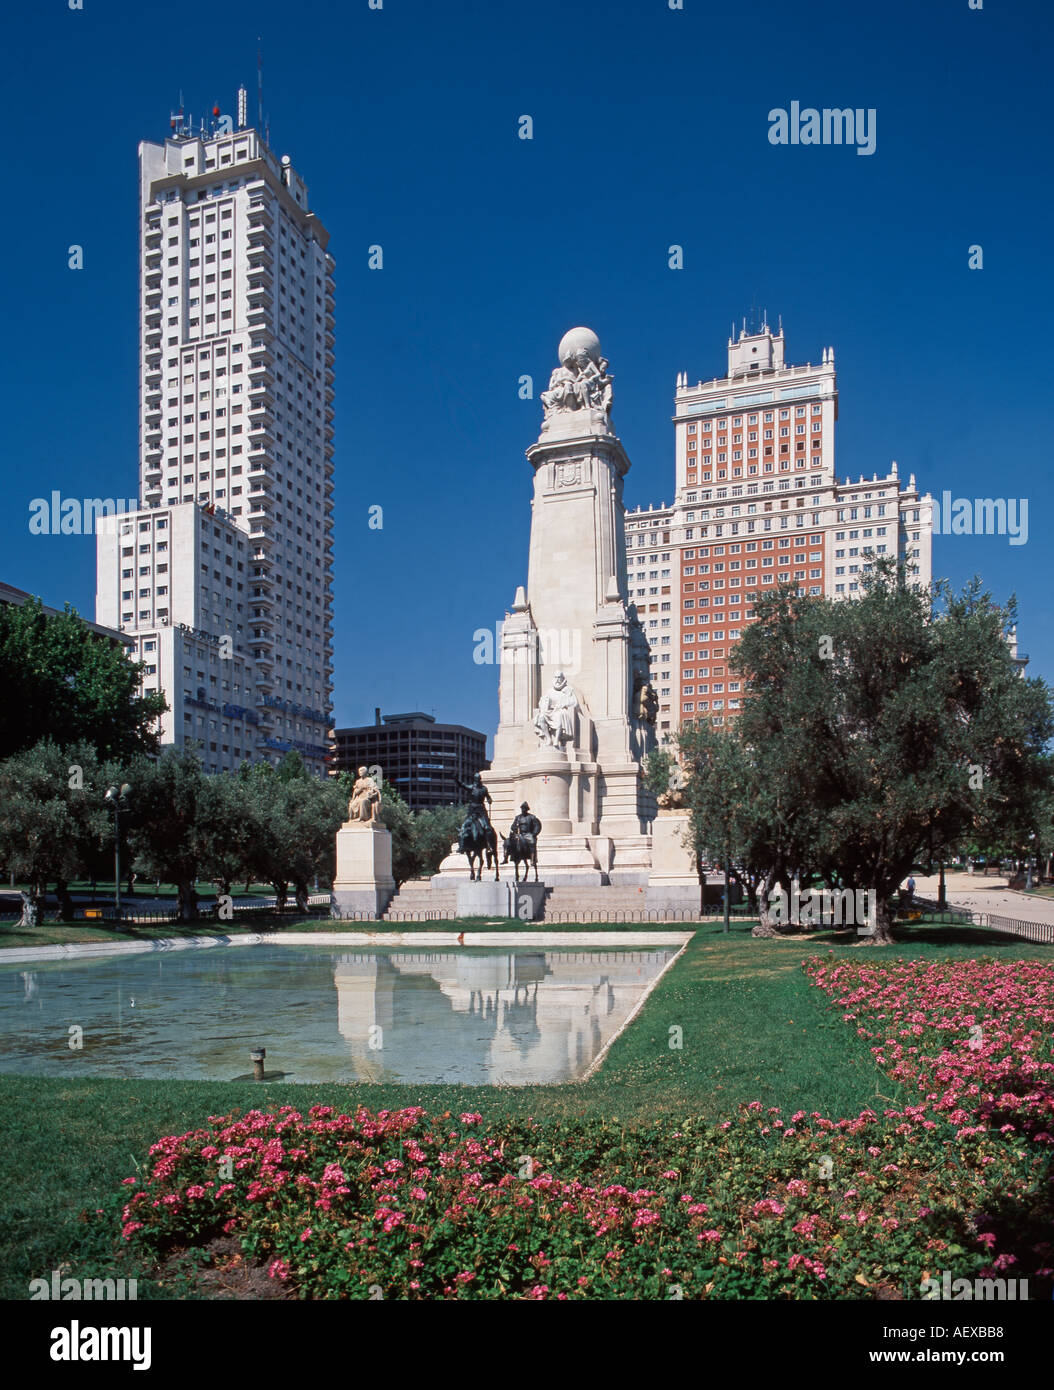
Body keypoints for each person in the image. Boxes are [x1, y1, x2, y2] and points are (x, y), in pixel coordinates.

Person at [456, 773, 492, 852]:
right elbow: (462, 785)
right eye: (476, 779)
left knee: (487, 827)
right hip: (472, 809)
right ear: (474, 780)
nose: (477, 780)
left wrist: (489, 800)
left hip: (481, 809)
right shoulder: (471, 787)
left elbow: (488, 797)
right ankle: (461, 846)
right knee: (464, 827)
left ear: (480, 779)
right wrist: (456, 780)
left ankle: (489, 845)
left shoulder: (484, 789)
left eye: (479, 779)